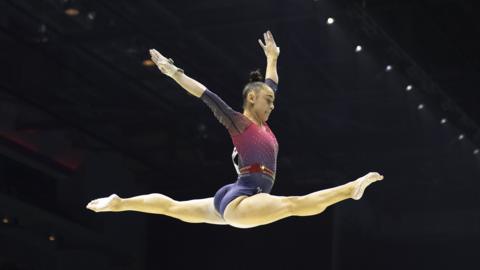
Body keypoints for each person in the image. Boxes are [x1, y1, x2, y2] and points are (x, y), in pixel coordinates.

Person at [86, 31, 384, 229]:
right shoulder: (237, 122)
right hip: (242, 200)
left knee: (173, 208)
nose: (273, 105)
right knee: (294, 204)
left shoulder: (262, 122)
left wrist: (272, 58)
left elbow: (272, 82)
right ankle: (349, 190)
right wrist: (173, 72)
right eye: (268, 101)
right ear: (251, 98)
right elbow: (204, 94)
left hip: (234, 194)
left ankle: (119, 203)